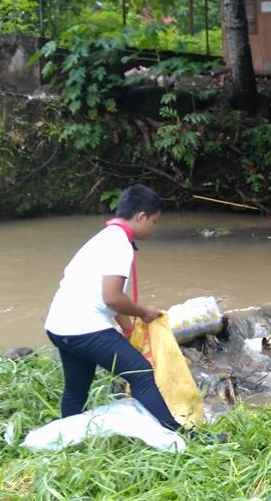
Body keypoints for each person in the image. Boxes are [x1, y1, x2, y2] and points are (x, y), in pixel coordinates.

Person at [43, 185, 180, 431]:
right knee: (141, 373)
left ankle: (65, 439)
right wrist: (144, 311)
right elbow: (112, 297)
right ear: (141, 216)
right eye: (154, 222)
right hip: (83, 327)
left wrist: (128, 329)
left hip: (59, 327)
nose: (153, 227)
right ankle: (179, 436)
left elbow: (107, 294)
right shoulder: (119, 244)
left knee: (77, 385)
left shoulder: (104, 238)